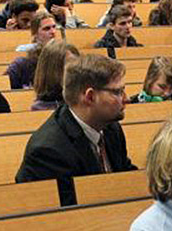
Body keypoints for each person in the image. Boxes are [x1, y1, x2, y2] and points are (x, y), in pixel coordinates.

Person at [15, 54, 137, 205]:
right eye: (117, 92)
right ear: (90, 97)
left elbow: (124, 175)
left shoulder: (111, 127)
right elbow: (70, 211)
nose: (126, 99)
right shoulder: (48, 151)